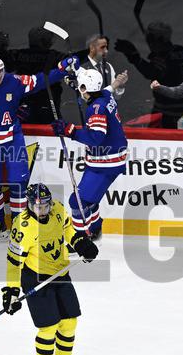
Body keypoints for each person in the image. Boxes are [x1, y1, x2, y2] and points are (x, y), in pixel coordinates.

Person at [3, 183, 99, 355]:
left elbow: (68, 230)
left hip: (60, 273)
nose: (43, 210)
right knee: (48, 328)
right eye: (38, 207)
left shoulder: (57, 210)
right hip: (35, 278)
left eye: (45, 206)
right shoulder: (23, 226)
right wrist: (10, 291)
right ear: (29, 205)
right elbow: (13, 262)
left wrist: (81, 243)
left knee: (69, 322)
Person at [0, 53, 77, 240]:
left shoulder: (14, 82)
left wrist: (61, 69)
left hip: (12, 138)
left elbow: (40, 80)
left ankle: (19, 225)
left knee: (18, 184)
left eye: (0, 71)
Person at [51, 69, 129, 239]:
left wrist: (70, 131)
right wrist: (117, 82)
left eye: (80, 86)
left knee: (77, 202)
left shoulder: (96, 109)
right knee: (88, 200)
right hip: (105, 160)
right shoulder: (105, 96)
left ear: (86, 88)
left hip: (106, 163)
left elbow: (96, 138)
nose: (78, 89)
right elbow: (109, 88)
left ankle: (79, 239)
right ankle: (95, 227)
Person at [114, 21, 183, 128]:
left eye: (151, 39)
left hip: (169, 111)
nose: (149, 43)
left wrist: (134, 56)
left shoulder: (164, 57)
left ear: (160, 40)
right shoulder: (182, 51)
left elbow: (151, 72)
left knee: (156, 136)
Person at [81, 34, 128, 100]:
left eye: (106, 47)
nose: (106, 51)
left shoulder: (108, 66)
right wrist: (113, 86)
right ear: (92, 48)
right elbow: (87, 97)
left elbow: (115, 98)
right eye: (102, 47)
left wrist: (120, 86)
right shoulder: (81, 68)